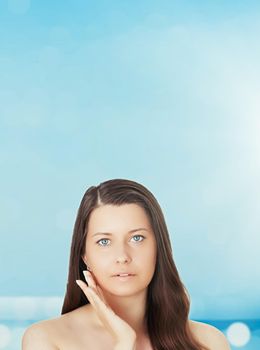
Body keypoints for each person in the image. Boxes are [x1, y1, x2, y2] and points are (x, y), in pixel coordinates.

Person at [22, 178, 231, 350]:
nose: (122, 256)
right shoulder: (47, 339)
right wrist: (124, 341)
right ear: (84, 255)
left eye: (137, 238)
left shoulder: (208, 342)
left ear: (159, 247)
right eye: (104, 242)